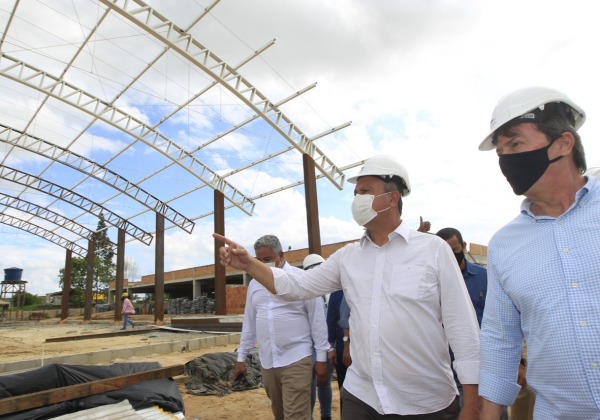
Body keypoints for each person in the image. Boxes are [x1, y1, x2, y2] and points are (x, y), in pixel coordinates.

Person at [214, 155, 481, 419]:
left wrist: (471, 405)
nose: (357, 199)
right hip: (361, 396)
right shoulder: (347, 257)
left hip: (423, 402)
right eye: (355, 193)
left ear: (392, 197)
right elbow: (297, 286)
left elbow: (463, 329)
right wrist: (249, 264)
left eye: (366, 191)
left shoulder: (433, 250)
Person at [478, 86, 600, 418]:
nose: (505, 160)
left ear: (562, 144)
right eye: (500, 151)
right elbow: (500, 339)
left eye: (515, 144)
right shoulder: (505, 245)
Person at [233, 235, 329, 420]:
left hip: (297, 359)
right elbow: (250, 323)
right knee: (280, 414)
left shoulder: (301, 279)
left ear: (281, 255)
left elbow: (317, 320)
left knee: (296, 416)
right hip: (268, 363)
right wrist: (241, 357)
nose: (262, 264)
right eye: (258, 260)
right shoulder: (254, 285)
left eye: (267, 259)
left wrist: (321, 358)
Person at [304, 253, 333, 420]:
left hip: (310, 347)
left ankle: (311, 417)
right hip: (327, 346)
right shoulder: (330, 288)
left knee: (311, 386)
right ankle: (325, 417)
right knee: (324, 384)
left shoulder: (307, 289)